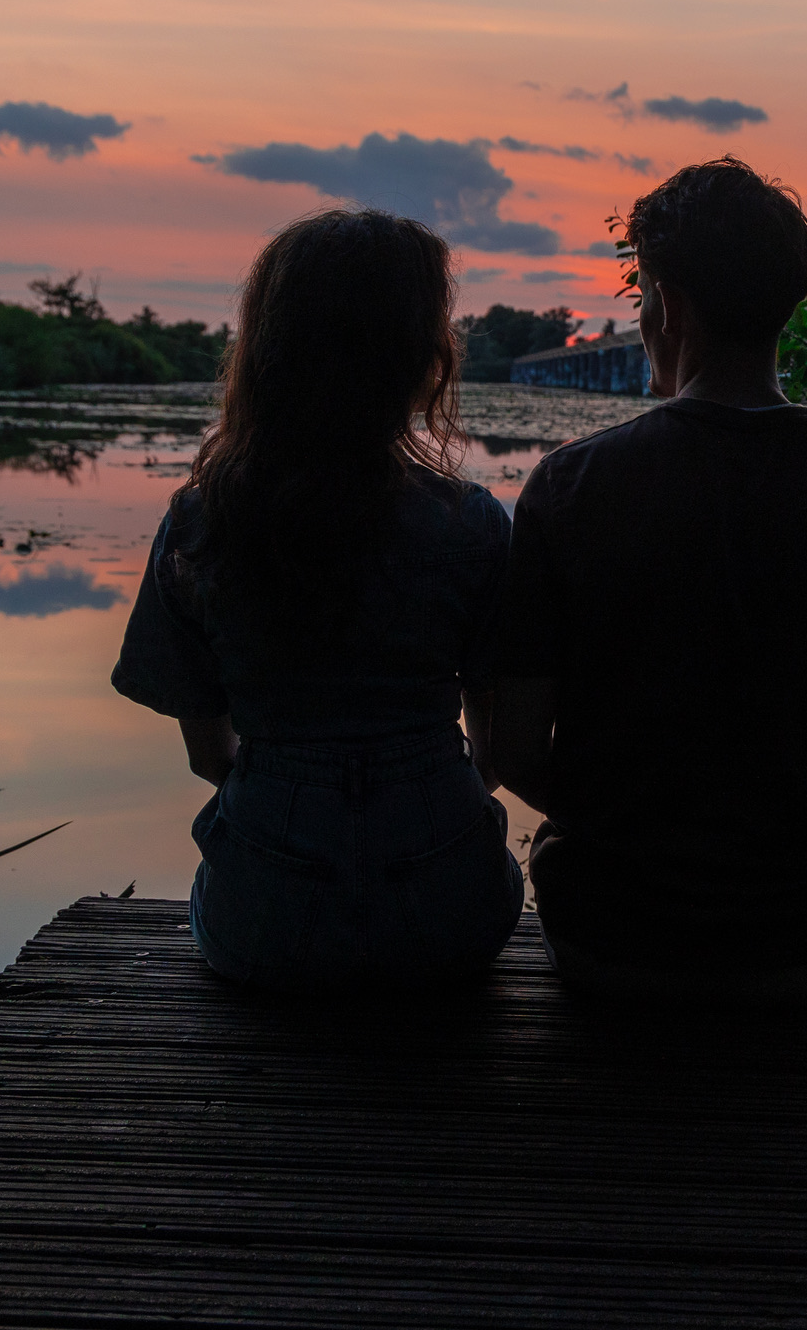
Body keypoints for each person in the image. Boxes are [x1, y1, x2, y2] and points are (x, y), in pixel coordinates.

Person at [491, 158, 807, 1004]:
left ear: (671, 306)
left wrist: (623, 827)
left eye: (643, 294)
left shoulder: (569, 489)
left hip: (610, 946)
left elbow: (511, 748)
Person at [111, 209, 523, 992]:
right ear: (421, 359)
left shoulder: (201, 522)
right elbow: (497, 753)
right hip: (450, 918)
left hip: (266, 923)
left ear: (269, 351)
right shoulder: (472, 523)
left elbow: (209, 757)